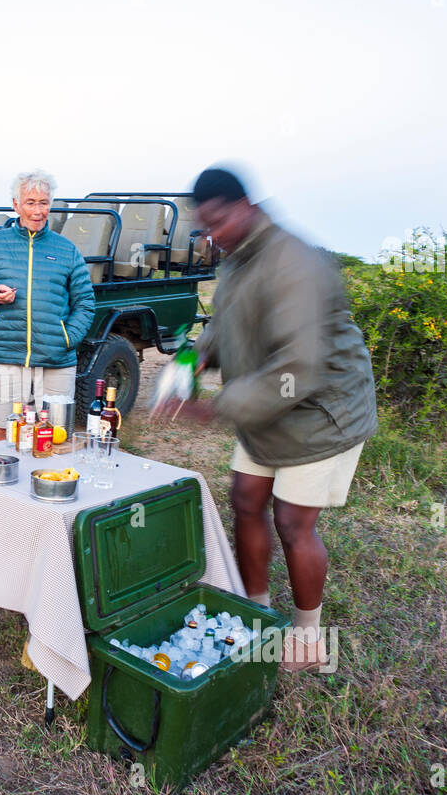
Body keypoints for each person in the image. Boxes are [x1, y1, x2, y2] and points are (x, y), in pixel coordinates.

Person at [160, 168, 377, 672]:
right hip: (266, 406)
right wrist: (190, 363)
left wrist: (216, 408)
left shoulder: (294, 262)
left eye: (217, 222)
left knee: (292, 522)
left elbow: (298, 369)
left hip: (323, 411)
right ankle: (253, 611)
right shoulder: (235, 260)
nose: (211, 236)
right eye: (204, 226)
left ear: (247, 208)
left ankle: (307, 639)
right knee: (245, 499)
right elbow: (222, 324)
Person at [0, 170, 96, 442]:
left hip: (56, 360)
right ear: (16, 205)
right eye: (30, 202)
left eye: (44, 203)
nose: (38, 210)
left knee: (56, 434)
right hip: (6, 357)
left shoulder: (67, 250)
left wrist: (66, 339)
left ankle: (48, 483)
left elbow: (85, 303)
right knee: (3, 430)